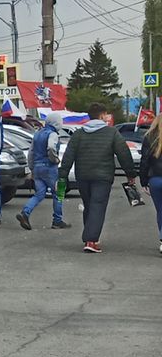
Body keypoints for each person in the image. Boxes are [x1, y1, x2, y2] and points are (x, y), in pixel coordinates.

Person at [56, 102, 139, 253]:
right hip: (103, 176)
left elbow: (68, 156)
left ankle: (90, 235)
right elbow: (123, 153)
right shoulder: (112, 133)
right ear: (101, 115)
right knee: (98, 205)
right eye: (106, 115)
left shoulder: (79, 134)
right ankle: (91, 240)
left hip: (83, 176)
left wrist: (62, 175)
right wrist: (130, 174)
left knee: (89, 205)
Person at [17, 119, 69, 231]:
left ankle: (25, 212)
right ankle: (57, 220)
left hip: (37, 168)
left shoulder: (37, 133)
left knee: (39, 194)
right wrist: (55, 159)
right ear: (56, 123)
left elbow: (31, 152)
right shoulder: (52, 134)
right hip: (49, 168)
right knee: (58, 193)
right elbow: (51, 147)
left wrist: (32, 167)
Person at [138, 119, 162, 254]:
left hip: (155, 179)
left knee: (160, 211)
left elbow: (144, 161)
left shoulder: (149, 137)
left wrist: (143, 181)